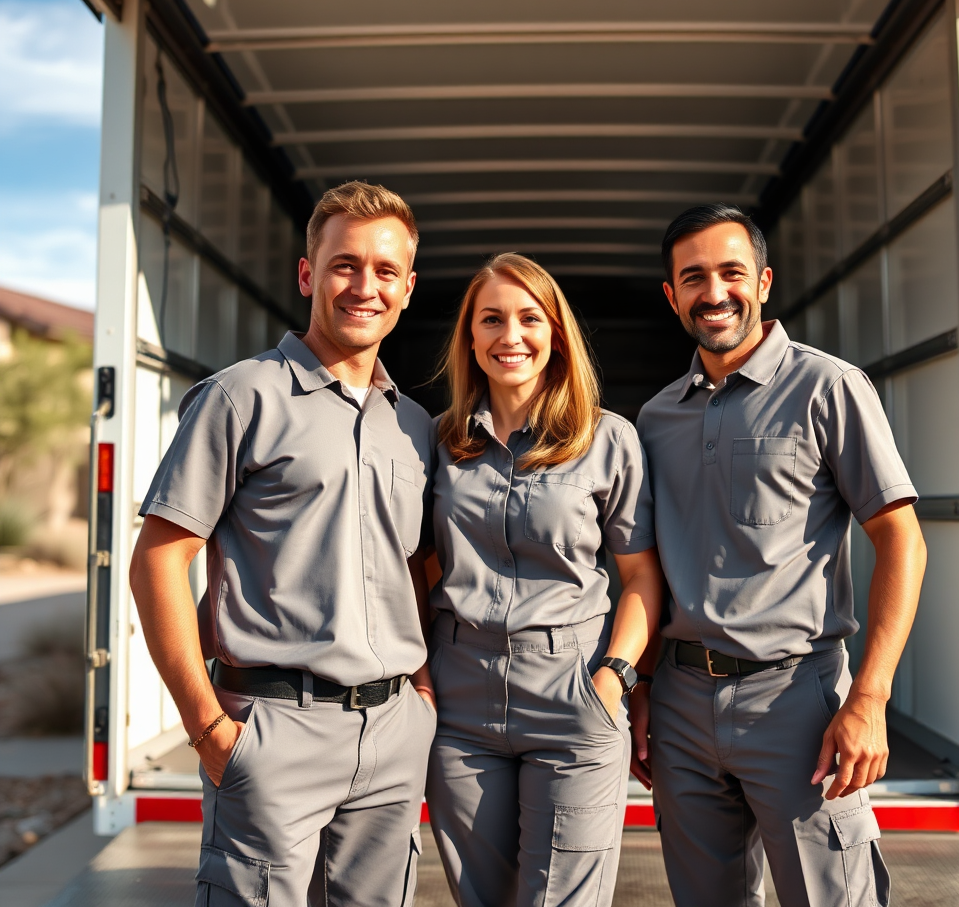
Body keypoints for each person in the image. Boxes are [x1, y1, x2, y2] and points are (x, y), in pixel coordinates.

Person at [129, 182, 437, 907]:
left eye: (386, 271)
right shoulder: (240, 398)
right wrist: (207, 728)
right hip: (272, 732)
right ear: (308, 275)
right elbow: (159, 560)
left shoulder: (414, 425)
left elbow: (416, 569)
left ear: (409, 288)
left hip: (393, 735)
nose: (366, 286)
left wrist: (420, 696)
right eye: (345, 265)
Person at [632, 204, 927, 907]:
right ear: (672, 297)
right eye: (693, 278)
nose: (715, 293)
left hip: (798, 705)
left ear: (763, 281)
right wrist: (643, 690)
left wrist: (871, 698)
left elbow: (902, 539)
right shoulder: (654, 418)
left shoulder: (829, 386)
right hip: (680, 705)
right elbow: (645, 573)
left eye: (732, 273)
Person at [425, 253, 663, 907]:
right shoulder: (441, 443)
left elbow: (642, 577)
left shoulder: (608, 439)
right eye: (492, 319)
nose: (511, 336)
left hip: (573, 688)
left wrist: (613, 679)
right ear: (470, 338)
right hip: (459, 698)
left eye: (530, 318)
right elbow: (419, 566)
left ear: (555, 334)